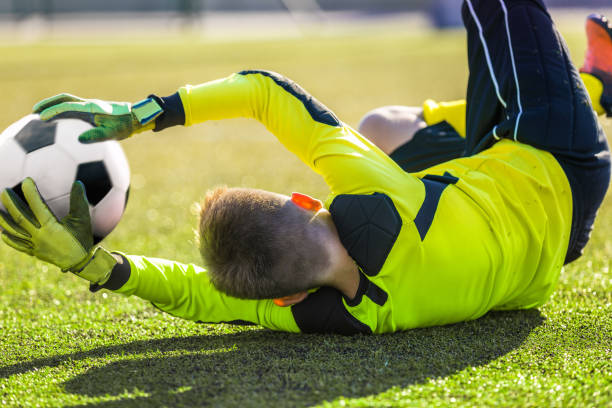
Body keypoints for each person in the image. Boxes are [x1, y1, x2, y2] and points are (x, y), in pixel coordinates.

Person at [0, 2, 610, 335]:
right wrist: (143, 113)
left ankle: (597, 87)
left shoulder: (332, 315)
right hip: (555, 159)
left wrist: (93, 264)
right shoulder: (377, 195)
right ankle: (593, 84)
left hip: (552, 255)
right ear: (302, 199)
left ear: (288, 297)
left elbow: (201, 299)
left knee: (382, 130)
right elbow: (265, 90)